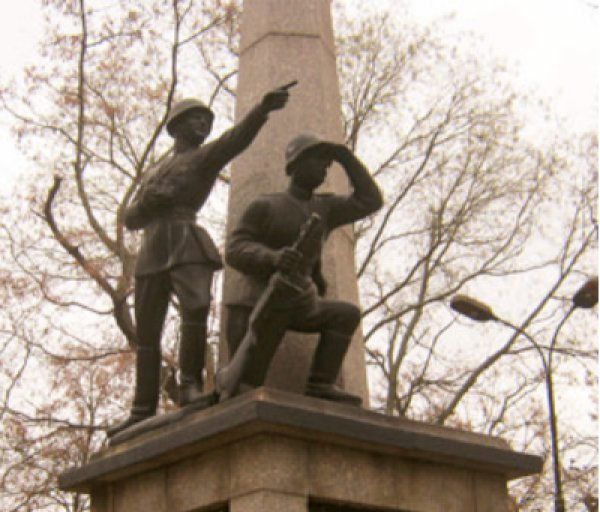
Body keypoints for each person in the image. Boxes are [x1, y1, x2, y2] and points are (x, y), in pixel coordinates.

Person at [108, 83, 293, 437]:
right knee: (148, 330)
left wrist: (262, 109)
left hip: (186, 238)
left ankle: (190, 384)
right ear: (176, 126)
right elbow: (131, 217)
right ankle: (141, 408)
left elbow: (235, 140)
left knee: (196, 307)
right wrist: (148, 204)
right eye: (196, 120)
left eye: (207, 122)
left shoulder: (205, 157)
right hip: (152, 248)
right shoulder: (154, 171)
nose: (203, 127)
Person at [223, 133, 383, 405]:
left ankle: (320, 384)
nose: (324, 169)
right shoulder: (265, 205)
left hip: (299, 302)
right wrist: (272, 258)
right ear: (296, 164)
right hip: (259, 301)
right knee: (246, 387)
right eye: (318, 162)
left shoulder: (325, 207)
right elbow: (235, 249)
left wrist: (346, 157)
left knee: (345, 315)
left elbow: (371, 200)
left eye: (327, 164)